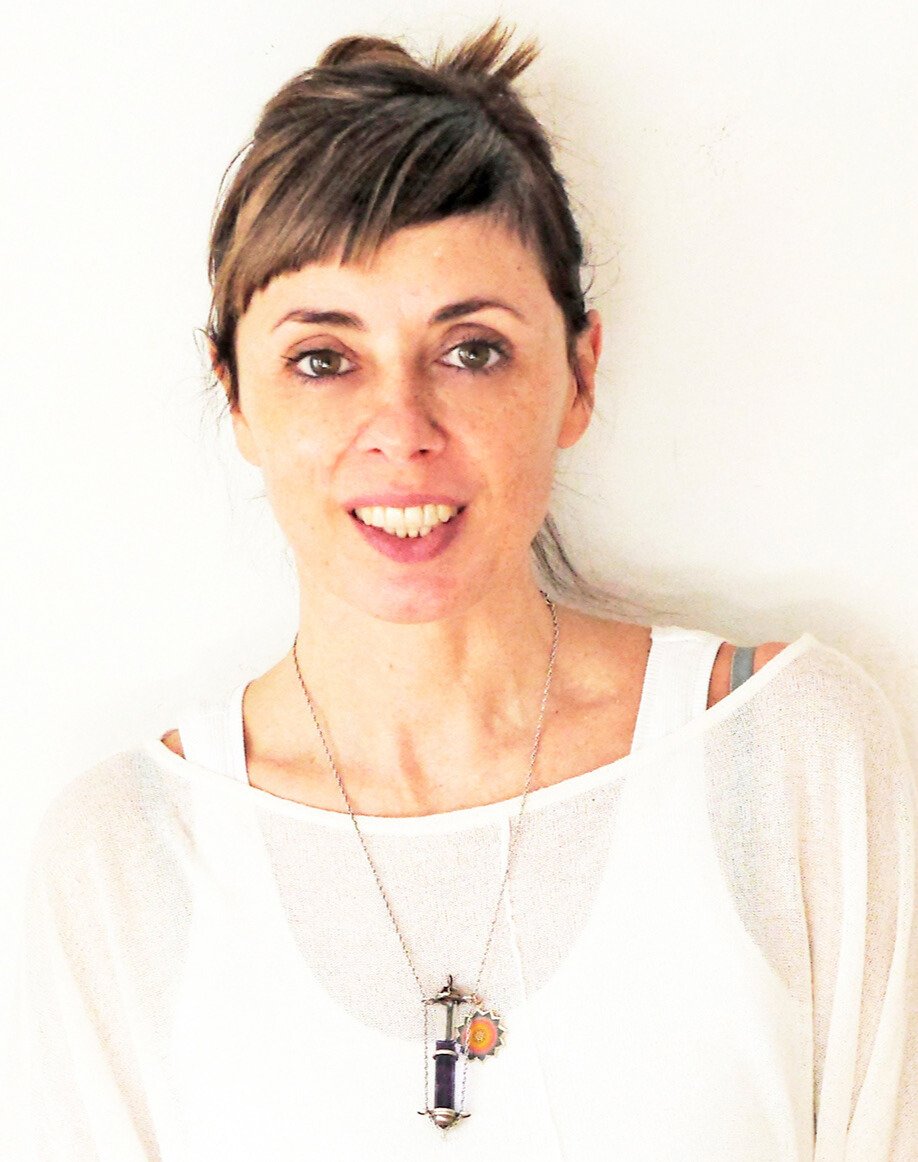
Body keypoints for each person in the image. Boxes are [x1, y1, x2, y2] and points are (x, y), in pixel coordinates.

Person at [6, 21, 916, 1161]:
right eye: (323, 359)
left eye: (471, 349)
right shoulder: (124, 864)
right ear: (232, 391)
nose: (402, 433)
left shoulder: (785, 762)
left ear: (578, 376)